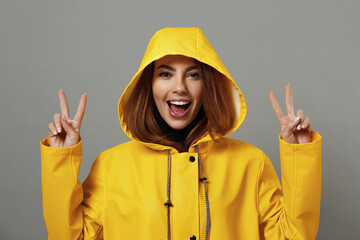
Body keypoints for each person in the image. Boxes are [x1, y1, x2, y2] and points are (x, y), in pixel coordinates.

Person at [40, 27, 321, 240]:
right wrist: (61, 160)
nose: (179, 87)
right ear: (147, 85)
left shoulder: (250, 163)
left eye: (193, 74)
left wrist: (300, 154)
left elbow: (293, 236)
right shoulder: (112, 166)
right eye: (165, 74)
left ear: (208, 85)